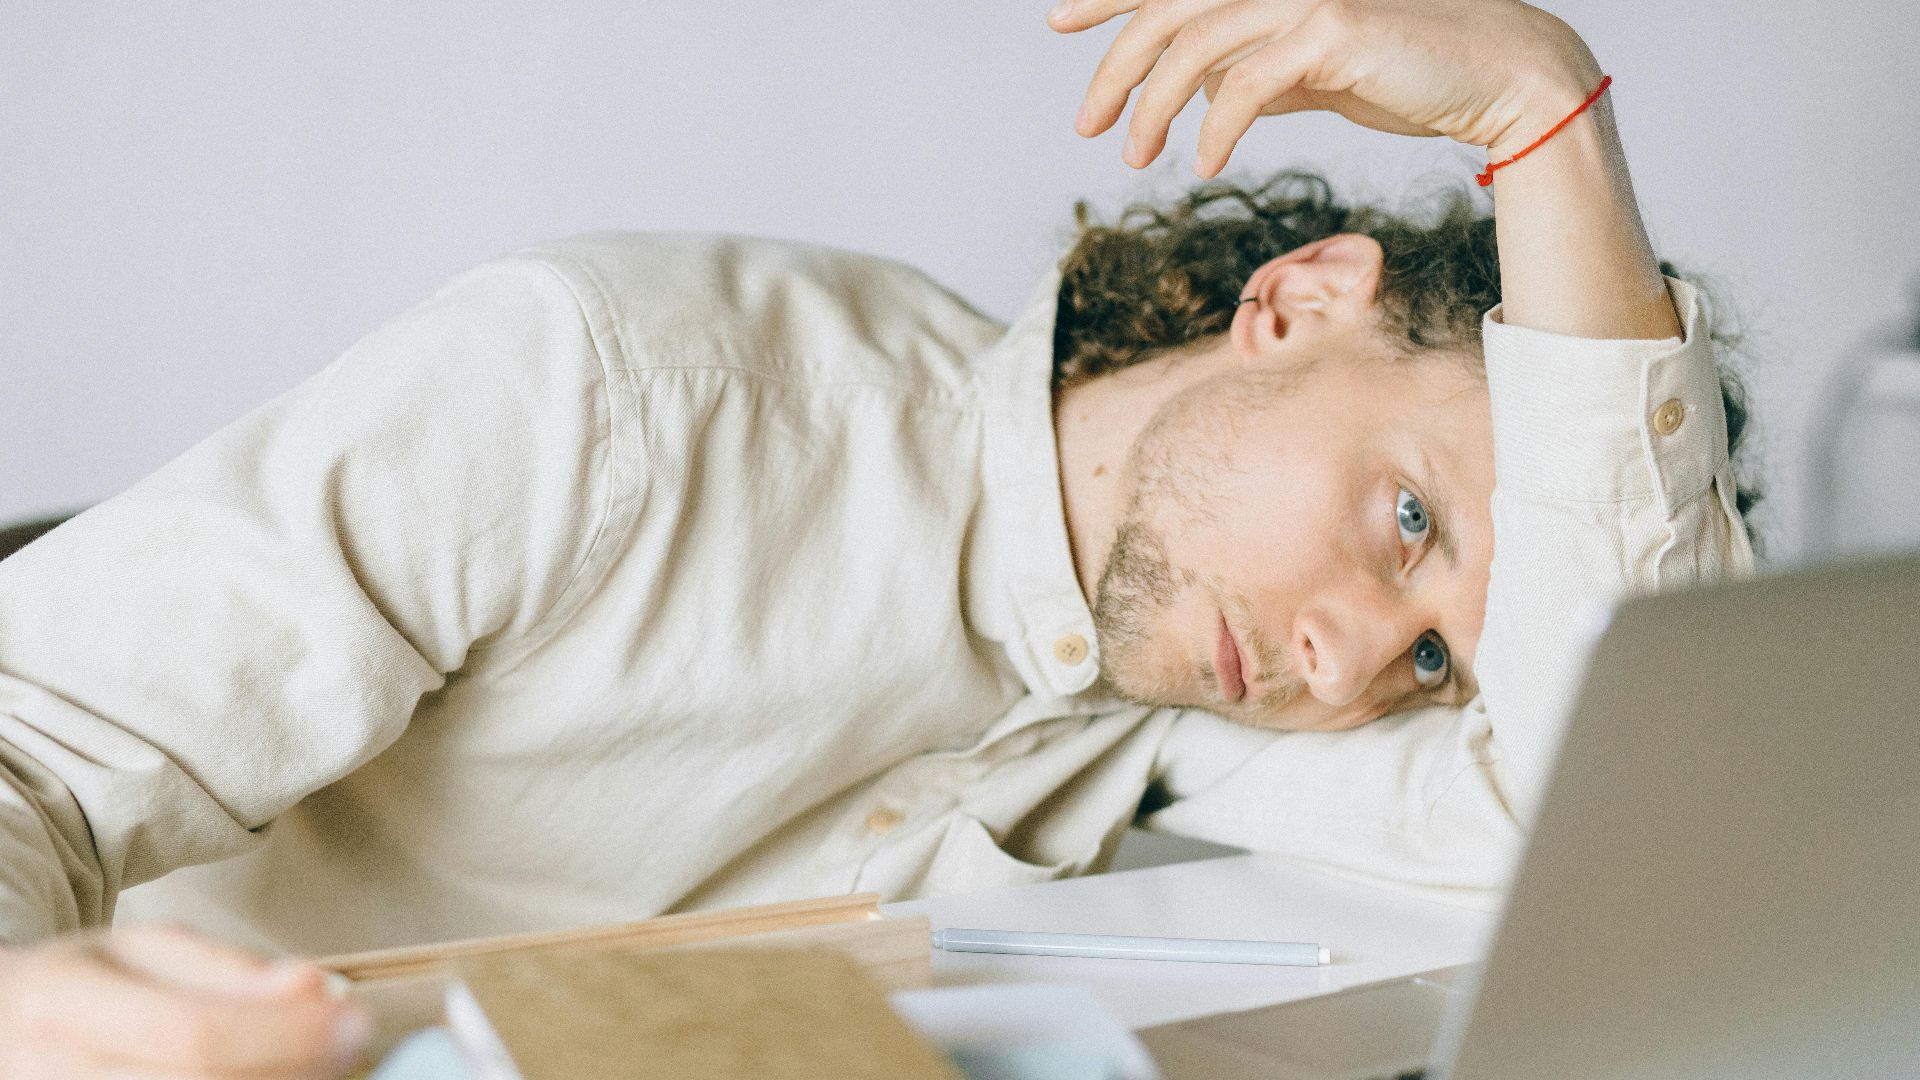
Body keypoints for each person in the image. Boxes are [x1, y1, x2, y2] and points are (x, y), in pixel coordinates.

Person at [0, 0, 1753, 1075]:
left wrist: (1546, 122)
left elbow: (1621, 837)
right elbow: (31, 749)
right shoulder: (621, 393)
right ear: (1295, 304)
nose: (1361, 661)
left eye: (1441, 647)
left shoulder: (1165, 706)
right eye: (1409, 518)